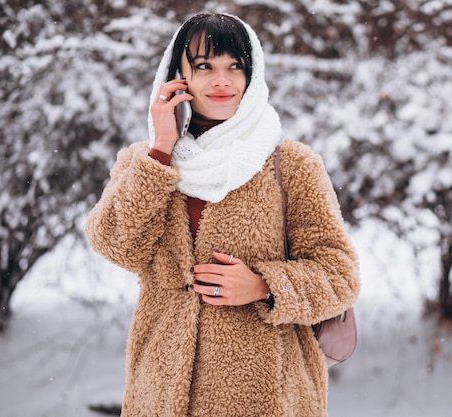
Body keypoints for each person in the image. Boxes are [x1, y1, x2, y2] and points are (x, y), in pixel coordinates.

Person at [85, 12, 360, 417]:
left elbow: (340, 275)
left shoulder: (291, 165)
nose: (222, 81)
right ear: (177, 75)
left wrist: (265, 286)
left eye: (235, 66)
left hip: (267, 399)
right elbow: (116, 245)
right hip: (160, 395)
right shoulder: (145, 161)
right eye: (204, 66)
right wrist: (161, 149)